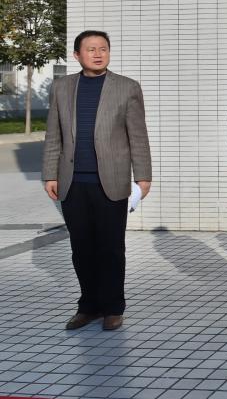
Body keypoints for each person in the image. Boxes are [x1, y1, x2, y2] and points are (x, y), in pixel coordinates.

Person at [42, 30, 152, 331]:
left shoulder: (127, 87)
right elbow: (53, 134)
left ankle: (113, 307)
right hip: (72, 182)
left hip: (111, 181)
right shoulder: (62, 87)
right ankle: (88, 306)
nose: (98, 54)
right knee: (81, 248)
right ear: (77, 55)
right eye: (91, 49)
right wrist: (49, 173)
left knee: (111, 248)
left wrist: (143, 177)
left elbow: (138, 136)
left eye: (103, 48)